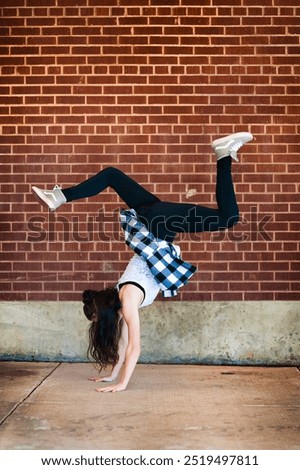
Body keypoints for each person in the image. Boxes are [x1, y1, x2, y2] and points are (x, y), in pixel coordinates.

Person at [32, 131, 253, 392]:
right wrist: (113, 376)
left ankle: (223, 153)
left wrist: (122, 384)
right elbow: (125, 344)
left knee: (228, 218)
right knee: (112, 174)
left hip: (159, 224)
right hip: (152, 217)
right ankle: (60, 197)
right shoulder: (122, 298)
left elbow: (136, 346)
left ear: (105, 314)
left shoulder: (127, 302)